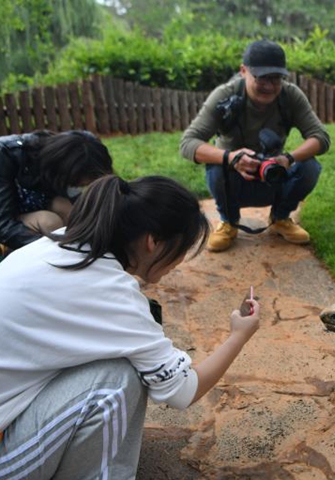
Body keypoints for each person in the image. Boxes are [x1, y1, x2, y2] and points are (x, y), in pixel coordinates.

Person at [0, 175, 261, 478]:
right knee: (118, 378)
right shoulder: (110, 292)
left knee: (121, 360)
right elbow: (182, 391)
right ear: (153, 242)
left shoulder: (60, 241)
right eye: (183, 249)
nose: (179, 262)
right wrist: (238, 336)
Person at [180, 39, 331, 252]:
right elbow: (188, 142)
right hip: (232, 179)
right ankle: (229, 222)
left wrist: (287, 159)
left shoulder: (290, 95)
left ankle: (280, 218)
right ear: (243, 71)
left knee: (309, 166)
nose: (269, 86)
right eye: (262, 78)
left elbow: (321, 137)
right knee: (217, 166)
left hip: (271, 175)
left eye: (276, 78)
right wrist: (231, 158)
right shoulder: (225, 95)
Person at [0, 130, 113, 259]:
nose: (81, 187)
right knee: (49, 222)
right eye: (79, 183)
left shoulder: (72, 150)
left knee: (70, 211)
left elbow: (81, 210)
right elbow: (4, 226)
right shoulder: (5, 154)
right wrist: (56, 249)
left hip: (25, 204)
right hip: (5, 219)